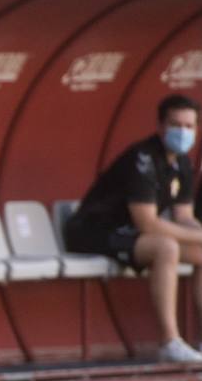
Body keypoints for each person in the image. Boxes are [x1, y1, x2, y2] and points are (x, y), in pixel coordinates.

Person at [64, 94, 202, 363]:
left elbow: (184, 216)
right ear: (161, 126)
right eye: (176, 125)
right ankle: (169, 341)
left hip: (129, 235)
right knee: (166, 247)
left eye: (189, 126)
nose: (183, 132)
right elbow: (147, 223)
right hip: (93, 231)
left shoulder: (183, 163)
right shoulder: (143, 158)